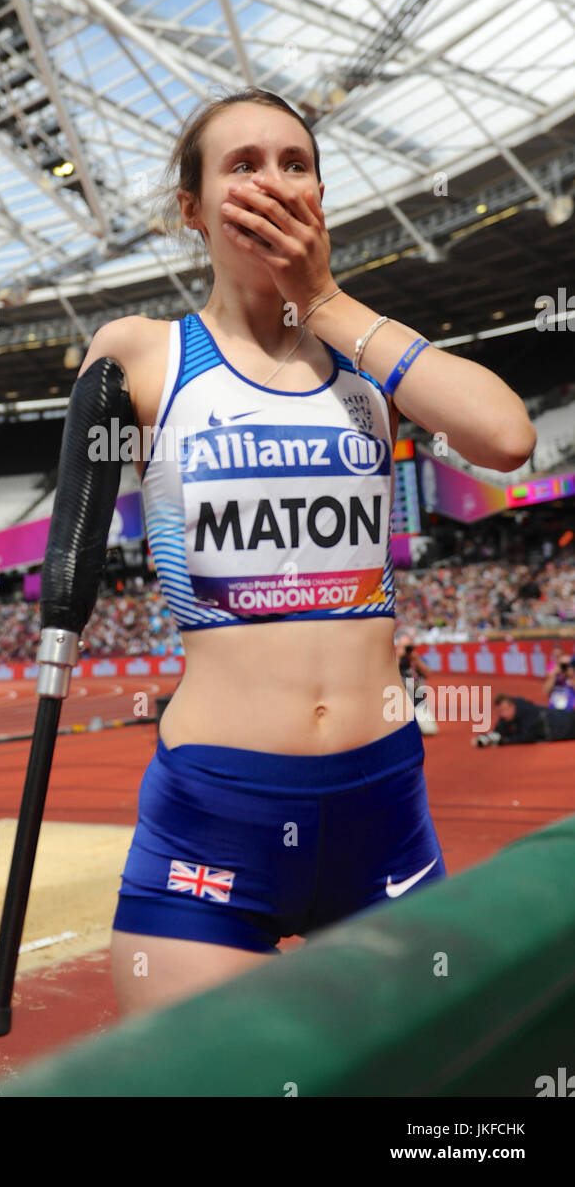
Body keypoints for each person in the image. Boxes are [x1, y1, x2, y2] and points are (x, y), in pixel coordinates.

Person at [76, 88, 536, 1016]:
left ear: (321, 196)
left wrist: (321, 301)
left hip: (384, 801)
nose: (273, 182)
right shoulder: (142, 355)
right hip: (218, 805)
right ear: (191, 208)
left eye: (296, 163)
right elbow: (78, 508)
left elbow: (506, 439)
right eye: (241, 165)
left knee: (425, 1105)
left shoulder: (374, 359)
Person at [474, 693, 575, 747]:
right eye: (500, 712)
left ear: (511, 706)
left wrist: (505, 740)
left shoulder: (527, 711)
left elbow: (527, 736)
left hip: (562, 726)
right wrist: (488, 736)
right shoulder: (508, 713)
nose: (502, 715)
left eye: (504, 711)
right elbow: (500, 728)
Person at [397, 642, 438, 736]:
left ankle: (416, 725)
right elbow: (390, 676)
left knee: (430, 730)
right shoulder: (394, 661)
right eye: (404, 647)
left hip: (418, 702)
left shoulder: (418, 659)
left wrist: (415, 659)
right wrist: (398, 657)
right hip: (399, 704)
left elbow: (427, 673)